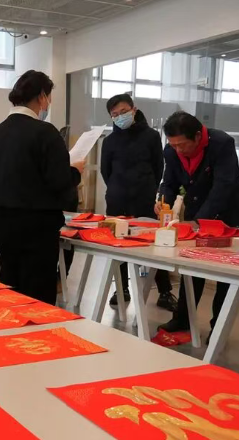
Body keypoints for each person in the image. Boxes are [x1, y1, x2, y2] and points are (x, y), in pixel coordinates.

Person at [0, 70, 84, 305]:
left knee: (11, 290)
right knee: (37, 297)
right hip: (37, 227)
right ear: (42, 96)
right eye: (49, 97)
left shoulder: (0, 131)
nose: (49, 103)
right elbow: (59, 182)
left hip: (5, 222)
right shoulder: (45, 132)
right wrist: (75, 172)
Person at [156, 111, 239, 336]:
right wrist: (163, 200)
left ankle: (218, 327)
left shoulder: (221, 144)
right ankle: (183, 319)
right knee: (191, 268)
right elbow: (169, 182)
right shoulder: (171, 150)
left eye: (182, 145)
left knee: (225, 274)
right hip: (197, 210)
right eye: (173, 145)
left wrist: (199, 222)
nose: (178, 149)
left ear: (198, 136)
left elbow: (223, 186)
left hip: (228, 213)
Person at [101, 94, 177, 312]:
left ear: (133, 110)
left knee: (153, 245)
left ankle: (164, 291)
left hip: (144, 199)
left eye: (123, 112)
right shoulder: (109, 141)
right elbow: (106, 172)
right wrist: (118, 188)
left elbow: (158, 167)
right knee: (118, 245)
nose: (120, 116)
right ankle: (121, 289)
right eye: (115, 114)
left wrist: (147, 188)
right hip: (117, 200)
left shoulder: (151, 136)